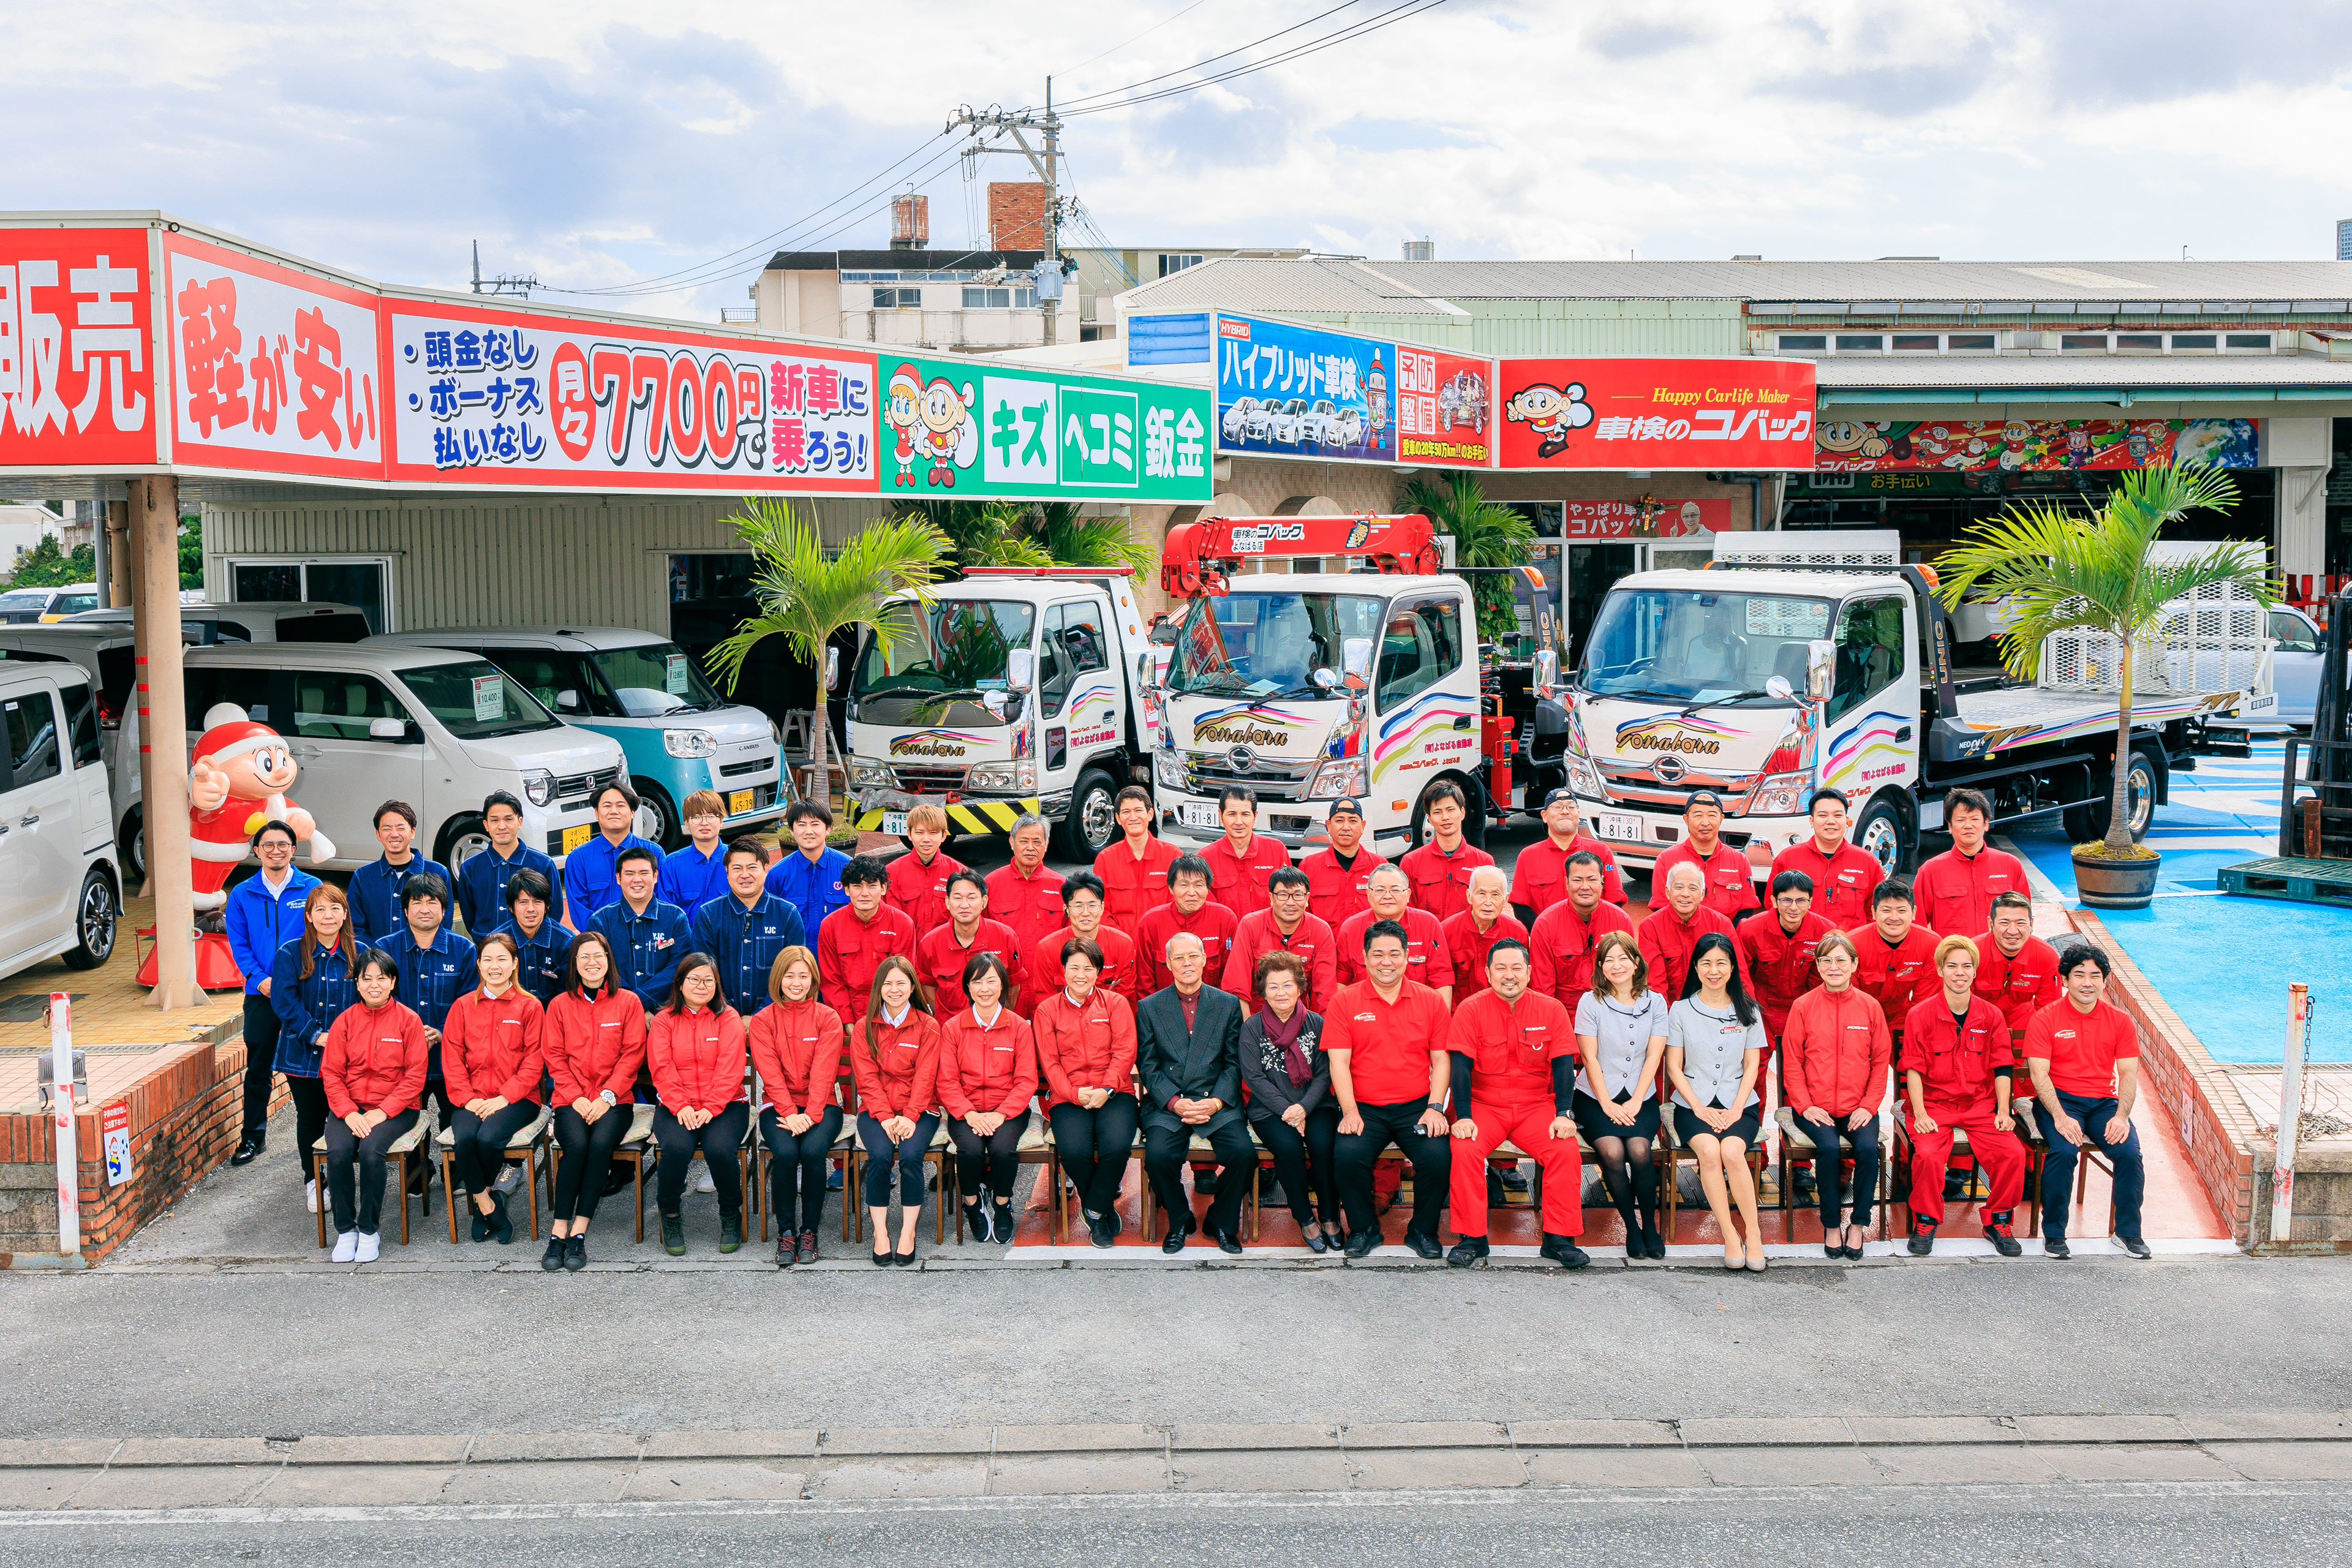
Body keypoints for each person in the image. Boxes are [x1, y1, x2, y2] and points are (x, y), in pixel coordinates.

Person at [1445, 940, 1588, 1269]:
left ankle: (1559, 1239)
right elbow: (1461, 1067)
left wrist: (1565, 1113)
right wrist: (1463, 1115)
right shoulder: (1470, 1008)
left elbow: (1564, 1064)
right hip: (1484, 1103)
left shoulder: (1551, 1009)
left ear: (1529, 972)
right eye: (1501, 968)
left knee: (1564, 1150)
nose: (1509, 975)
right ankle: (1473, 1238)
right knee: (1465, 1148)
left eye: (1516, 968)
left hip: (1535, 1105)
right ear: (1487, 972)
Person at [1324, 918, 1455, 1259]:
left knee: (1438, 1158)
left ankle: (1422, 1230)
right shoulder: (1344, 1001)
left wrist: (1435, 1107)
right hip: (1364, 1106)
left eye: (1395, 954)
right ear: (1364, 958)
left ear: (1408, 956)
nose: (1387, 962)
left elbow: (1441, 1060)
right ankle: (1364, 1229)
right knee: (1348, 1157)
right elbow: (1338, 1063)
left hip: (1416, 1105)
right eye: (1378, 954)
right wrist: (1350, 1111)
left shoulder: (1430, 1001)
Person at [1901, 934, 2028, 1257]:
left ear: (1975, 971)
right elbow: (1913, 1070)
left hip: (1980, 1106)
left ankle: (1998, 1220)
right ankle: (1926, 1220)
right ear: (1941, 970)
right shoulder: (1920, 1014)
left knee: (2013, 1153)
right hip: (1934, 1104)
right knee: (1928, 1156)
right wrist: (1921, 1113)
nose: (1960, 972)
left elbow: (2002, 1066)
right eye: (1952, 966)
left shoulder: (1991, 1015)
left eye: (1967, 966)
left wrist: (2003, 1110)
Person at [2024, 945, 2150, 1259]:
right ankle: (2053, 1234)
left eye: (2096, 975)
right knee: (2064, 1151)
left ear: (2105, 981)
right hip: (2059, 1099)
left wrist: (2122, 1116)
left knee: (2129, 1154)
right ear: (2065, 979)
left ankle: (2128, 1232)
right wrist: (2060, 1117)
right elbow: (2040, 1077)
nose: (2087, 982)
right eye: (2079, 974)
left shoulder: (2120, 1021)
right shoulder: (2045, 1019)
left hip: (2103, 1103)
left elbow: (2129, 1074)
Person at [1135, 931, 1253, 1254]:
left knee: (1244, 1155)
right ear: (1168, 964)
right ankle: (1180, 1218)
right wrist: (1175, 1102)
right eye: (1179, 958)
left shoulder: (1227, 1004)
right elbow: (1148, 1065)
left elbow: (1234, 1062)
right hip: (1168, 1101)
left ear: (1205, 959)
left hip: (1216, 1099)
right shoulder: (1149, 1007)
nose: (1187, 964)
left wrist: (1215, 1102)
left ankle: (1221, 1220)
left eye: (1193, 956)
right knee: (1157, 1158)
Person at [1780, 930, 1891, 1260]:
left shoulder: (1870, 1007)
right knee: (1828, 1149)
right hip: (1815, 1108)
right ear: (1817, 965)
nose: (1834, 967)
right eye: (1826, 960)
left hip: (1859, 1107)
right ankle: (1831, 1224)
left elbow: (1881, 1061)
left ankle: (1857, 1224)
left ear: (1854, 964)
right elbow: (1793, 1062)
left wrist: (1870, 1106)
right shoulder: (1803, 1006)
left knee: (1869, 1149)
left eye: (1841, 960)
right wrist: (1805, 1105)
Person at [540, 930, 645, 1272]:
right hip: (571, 1099)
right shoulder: (559, 1005)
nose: (591, 962)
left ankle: (579, 1233)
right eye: (583, 956)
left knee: (600, 1146)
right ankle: (557, 1234)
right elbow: (554, 1057)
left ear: (608, 960)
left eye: (598, 955)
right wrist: (576, 1097)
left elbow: (632, 1055)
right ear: (574, 964)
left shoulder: (628, 1002)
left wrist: (607, 1095)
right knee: (577, 1147)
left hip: (616, 1100)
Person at [1666, 932, 1770, 1272]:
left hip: (1739, 1102)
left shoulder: (1748, 1008)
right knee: (1710, 1152)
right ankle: (1729, 1235)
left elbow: (1753, 1064)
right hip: (1692, 1105)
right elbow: (1674, 1067)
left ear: (1732, 967)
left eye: (1721, 963)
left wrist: (1738, 1108)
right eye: (1706, 963)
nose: (1714, 970)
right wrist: (1698, 1107)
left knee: (1732, 1151)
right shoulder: (1680, 1010)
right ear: (1696, 967)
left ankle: (1752, 1233)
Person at [320, 947, 430, 1262]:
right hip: (350, 1107)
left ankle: (369, 1230)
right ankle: (346, 1230)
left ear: (393, 982)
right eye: (366, 979)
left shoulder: (409, 1021)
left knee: (371, 1152)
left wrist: (382, 1112)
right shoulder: (344, 1022)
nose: (374, 985)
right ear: (357, 984)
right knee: (339, 1153)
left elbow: (415, 1076)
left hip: (397, 1109)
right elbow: (331, 1073)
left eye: (382, 979)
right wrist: (349, 1112)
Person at [1031, 938, 1140, 1248]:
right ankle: (1103, 1208)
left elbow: (1124, 1050)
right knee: (1075, 1151)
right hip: (1069, 1096)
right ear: (1063, 970)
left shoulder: (1115, 1003)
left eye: (1088, 968)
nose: (1081, 974)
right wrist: (1074, 1093)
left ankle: (1092, 1209)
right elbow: (1049, 1061)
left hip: (1115, 1091)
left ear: (1098, 972)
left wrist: (1106, 1088)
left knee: (1117, 1146)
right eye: (1074, 967)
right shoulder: (1047, 1010)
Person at [439, 932, 546, 1246]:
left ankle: (479, 1210)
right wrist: (468, 1100)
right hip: (471, 1098)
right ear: (479, 965)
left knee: (488, 1139)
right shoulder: (462, 1007)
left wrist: (503, 1098)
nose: (494, 966)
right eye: (488, 959)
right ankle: (488, 1204)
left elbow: (534, 1062)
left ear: (514, 964)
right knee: (465, 1139)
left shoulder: (530, 1006)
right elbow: (452, 1058)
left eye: (502, 959)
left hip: (519, 1099)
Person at [224, 820, 318, 1166]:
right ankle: (253, 1138)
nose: (276, 851)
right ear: (257, 851)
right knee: (259, 1066)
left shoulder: (313, 888)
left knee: (312, 1061)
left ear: (294, 849)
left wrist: (296, 980)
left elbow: (319, 935)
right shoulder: (242, 893)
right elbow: (239, 943)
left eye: (283, 845)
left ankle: (320, 1133)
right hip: (260, 991)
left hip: (302, 992)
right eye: (268, 845)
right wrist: (259, 978)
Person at [646, 954, 750, 1257]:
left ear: (717, 985)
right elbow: (661, 1068)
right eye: (694, 979)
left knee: (719, 1149)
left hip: (726, 1104)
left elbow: (731, 1069)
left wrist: (712, 1107)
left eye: (709, 980)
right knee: (677, 1148)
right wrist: (681, 1106)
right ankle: (670, 1215)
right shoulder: (664, 1020)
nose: (701, 985)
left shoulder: (728, 1018)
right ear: (680, 983)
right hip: (677, 1105)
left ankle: (731, 1214)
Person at [1238, 951, 1343, 1253]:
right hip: (1270, 1109)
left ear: (1300, 988)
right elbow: (1254, 1077)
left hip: (1315, 1104)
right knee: (1288, 1149)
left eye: (1287, 985)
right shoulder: (1252, 1028)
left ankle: (1329, 1216)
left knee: (1324, 1147)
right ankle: (1305, 1217)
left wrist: (1303, 1108)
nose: (1281, 993)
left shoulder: (1317, 1023)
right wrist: (1287, 1110)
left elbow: (1325, 1073)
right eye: (1273, 986)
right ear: (1263, 992)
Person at [1574, 930, 1670, 1259]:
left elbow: (1654, 1058)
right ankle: (1631, 1227)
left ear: (1636, 962)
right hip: (1594, 1099)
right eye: (1608, 960)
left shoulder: (1656, 1002)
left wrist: (1634, 1101)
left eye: (1623, 958)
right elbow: (1589, 1058)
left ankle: (1651, 1228)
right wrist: (1608, 1105)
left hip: (1640, 1098)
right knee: (1614, 1153)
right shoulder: (1590, 1002)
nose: (1616, 966)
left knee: (1641, 1152)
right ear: (1601, 966)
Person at [748, 946, 845, 1268]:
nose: (797, 983)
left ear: (813, 980)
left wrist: (811, 1114)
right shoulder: (763, 1021)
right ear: (778, 978)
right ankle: (786, 1231)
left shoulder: (827, 1017)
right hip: (777, 1106)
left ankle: (810, 1232)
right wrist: (790, 1113)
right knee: (787, 1155)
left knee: (813, 1154)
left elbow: (824, 1070)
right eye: (790, 975)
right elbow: (770, 1073)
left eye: (804, 976)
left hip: (823, 1106)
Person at [270, 883, 360, 1219]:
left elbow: (369, 999)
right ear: (309, 916)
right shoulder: (290, 953)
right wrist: (316, 1035)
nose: (328, 916)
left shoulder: (359, 952)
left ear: (345, 914)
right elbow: (284, 1002)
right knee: (310, 1117)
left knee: (344, 1114)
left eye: (335, 908)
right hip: (302, 1052)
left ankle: (341, 1177)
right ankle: (314, 1179)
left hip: (350, 1055)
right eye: (320, 909)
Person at [937, 952, 1039, 1245]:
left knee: (1003, 1148)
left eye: (991, 981)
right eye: (977, 982)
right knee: (968, 1150)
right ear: (968, 987)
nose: (985, 989)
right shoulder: (953, 1028)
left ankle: (1003, 1205)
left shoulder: (1019, 1027)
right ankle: (973, 1205)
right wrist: (969, 1114)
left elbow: (1026, 1080)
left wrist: (1001, 1113)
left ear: (1003, 985)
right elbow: (947, 1080)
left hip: (1008, 1109)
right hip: (966, 1109)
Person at [851, 955, 941, 1265]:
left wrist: (910, 1115)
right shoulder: (865, 1027)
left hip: (920, 1110)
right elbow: (866, 1078)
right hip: (877, 1111)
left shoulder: (928, 1026)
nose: (894, 989)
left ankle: (908, 1232)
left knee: (912, 1157)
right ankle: (880, 1233)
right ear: (879, 988)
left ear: (912, 986)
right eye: (888, 983)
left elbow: (926, 1076)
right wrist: (887, 1117)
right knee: (878, 1157)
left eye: (901, 983)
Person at [385, 873, 477, 1134]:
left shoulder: (464, 950)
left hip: (453, 1059)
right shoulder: (385, 949)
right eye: (417, 902)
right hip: (401, 1060)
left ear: (445, 910)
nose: (424, 909)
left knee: (457, 1128)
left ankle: (457, 1175)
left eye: (432, 902)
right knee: (409, 1129)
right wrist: (413, 1034)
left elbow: (470, 1004)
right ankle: (420, 1170)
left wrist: (441, 1031)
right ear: (405, 910)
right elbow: (381, 1002)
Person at [1734, 870, 1835, 1087]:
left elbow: (1823, 981)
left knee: (1801, 1071)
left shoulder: (1826, 932)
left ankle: (1796, 1120)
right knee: (1753, 1069)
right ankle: (1753, 1120)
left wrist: (1814, 1016)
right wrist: (1748, 1012)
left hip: (1802, 1009)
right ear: (1773, 900)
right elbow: (1741, 975)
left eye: (1801, 900)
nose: (1794, 907)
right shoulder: (1751, 929)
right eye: (1786, 900)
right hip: (1760, 1008)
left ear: (1810, 902)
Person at [689, 837, 806, 1016]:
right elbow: (703, 973)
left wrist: (760, 1015)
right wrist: (728, 1015)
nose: (745, 875)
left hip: (776, 1016)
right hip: (719, 1017)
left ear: (766, 869)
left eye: (752, 867)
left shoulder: (788, 914)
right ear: (727, 872)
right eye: (737, 868)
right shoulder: (708, 915)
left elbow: (793, 974)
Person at [1911, 787, 2029, 940]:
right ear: (1950, 827)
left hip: (1998, 958)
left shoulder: (2011, 865)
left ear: (1986, 824)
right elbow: (1918, 925)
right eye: (1961, 820)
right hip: (1954, 960)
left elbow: (2024, 918)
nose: (1968, 826)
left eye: (1975, 819)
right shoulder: (1931, 870)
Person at [587, 846, 692, 1014]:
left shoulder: (675, 918)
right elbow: (599, 968)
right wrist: (632, 1006)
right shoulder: (600, 921)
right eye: (629, 874)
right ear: (619, 878)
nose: (637, 880)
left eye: (644, 873)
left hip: (667, 1012)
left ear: (655, 876)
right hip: (615, 1011)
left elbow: (679, 966)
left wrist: (639, 1001)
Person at [1529, 852, 1635, 1014]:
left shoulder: (1621, 921)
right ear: (1566, 883)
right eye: (1577, 880)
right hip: (1565, 1013)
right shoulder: (1546, 924)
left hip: (1610, 1011)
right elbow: (1542, 987)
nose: (1585, 887)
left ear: (1602, 881)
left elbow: (1629, 978)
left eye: (1592, 880)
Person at [1223, 865, 1336, 1012]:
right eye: (1283, 895)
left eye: (1297, 895)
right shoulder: (1250, 925)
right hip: (1257, 1015)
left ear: (1307, 899)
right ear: (1271, 898)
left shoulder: (1321, 930)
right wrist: (1247, 1029)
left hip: (1301, 1016)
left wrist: (1321, 1030)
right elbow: (1237, 987)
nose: (1290, 903)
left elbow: (1325, 991)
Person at [1336, 864, 1456, 1002]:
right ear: (1368, 895)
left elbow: (1441, 979)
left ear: (1408, 895)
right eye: (1380, 890)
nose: (1388, 896)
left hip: (1418, 1013)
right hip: (1367, 1014)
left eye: (1395, 890)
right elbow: (1342, 981)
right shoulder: (1351, 928)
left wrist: (1442, 1021)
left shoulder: (1428, 924)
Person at [1769, 789, 1883, 930]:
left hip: (1851, 947)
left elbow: (1877, 910)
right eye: (1823, 815)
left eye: (1838, 815)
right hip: (1803, 946)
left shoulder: (1867, 861)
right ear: (1812, 821)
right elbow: (1773, 907)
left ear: (1847, 821)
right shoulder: (1787, 859)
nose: (1831, 821)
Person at [915, 869, 1023, 1017]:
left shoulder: (1006, 937)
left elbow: (1014, 984)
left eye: (972, 898)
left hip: (994, 1026)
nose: (964, 905)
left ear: (984, 901)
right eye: (957, 898)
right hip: (950, 1029)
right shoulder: (930, 943)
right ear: (947, 902)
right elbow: (927, 984)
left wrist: (1002, 1019)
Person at [454, 790, 563, 936]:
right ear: (486, 825)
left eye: (508, 819)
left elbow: (554, 913)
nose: (501, 826)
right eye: (494, 820)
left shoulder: (543, 864)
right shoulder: (470, 868)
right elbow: (470, 917)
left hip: (533, 949)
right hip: (488, 950)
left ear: (520, 822)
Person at [347, 801, 452, 951]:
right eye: (387, 828)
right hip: (378, 966)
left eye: (401, 828)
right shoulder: (363, 877)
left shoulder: (438, 873)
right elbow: (355, 928)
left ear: (413, 832)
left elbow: (445, 923)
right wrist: (379, 954)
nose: (394, 834)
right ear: (378, 834)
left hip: (425, 959)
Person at [1508, 788, 1626, 921]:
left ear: (1578, 814)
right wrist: (1544, 933)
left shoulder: (1601, 851)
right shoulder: (1528, 856)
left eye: (1571, 807)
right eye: (1557, 807)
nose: (1565, 811)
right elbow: (1520, 905)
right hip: (1548, 937)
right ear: (1545, 816)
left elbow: (1615, 899)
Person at [1638, 861, 1746, 1005]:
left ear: (1702, 894)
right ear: (1667, 892)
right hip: (1671, 1009)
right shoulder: (1650, 926)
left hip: (1714, 1008)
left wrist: (1744, 1011)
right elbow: (1654, 982)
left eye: (1693, 888)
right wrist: (1666, 1019)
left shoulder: (1721, 924)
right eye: (1679, 887)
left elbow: (1739, 973)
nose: (1685, 894)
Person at [1649, 790, 1761, 924]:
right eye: (1698, 816)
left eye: (1712, 815)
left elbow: (1746, 910)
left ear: (1721, 819)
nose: (1705, 822)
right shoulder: (1666, 859)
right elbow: (1660, 907)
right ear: (1686, 819)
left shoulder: (1739, 860)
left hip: (1725, 937)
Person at [1135, 855, 1240, 995]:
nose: (1192, 893)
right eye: (1184, 885)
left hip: (1215, 1008)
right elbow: (1144, 981)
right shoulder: (1151, 922)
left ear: (1208, 888)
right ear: (1171, 888)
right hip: (1163, 1009)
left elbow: (1232, 976)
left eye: (1198, 885)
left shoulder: (1225, 919)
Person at [564, 782, 663, 925]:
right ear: (597, 813)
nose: (614, 811)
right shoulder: (579, 859)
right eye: (607, 806)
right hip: (601, 942)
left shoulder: (655, 853)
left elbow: (662, 902)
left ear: (633, 812)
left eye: (621, 805)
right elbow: (580, 911)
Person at [1033, 873, 1139, 1005]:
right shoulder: (1047, 949)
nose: (1086, 913)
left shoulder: (1122, 944)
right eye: (1078, 906)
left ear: (1102, 908)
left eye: (1092, 905)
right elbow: (1044, 1001)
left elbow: (1126, 996)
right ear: (1066, 910)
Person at [1400, 780, 1494, 925]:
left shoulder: (1483, 862)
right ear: (1430, 819)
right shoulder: (1411, 862)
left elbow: (1489, 912)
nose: (1445, 817)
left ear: (1462, 813)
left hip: (1466, 943)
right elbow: (1407, 912)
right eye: (1437, 812)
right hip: (1428, 942)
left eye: (1451, 810)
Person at [1855, 879, 1940, 1040]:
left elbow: (1924, 1004)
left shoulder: (1932, 944)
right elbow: (1848, 1000)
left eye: (1902, 911)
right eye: (1886, 910)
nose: (1894, 918)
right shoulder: (1853, 944)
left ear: (1914, 913)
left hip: (1904, 1019)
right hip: (1860, 1020)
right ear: (1873, 912)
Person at [1093, 786, 1180, 941]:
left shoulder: (1172, 855)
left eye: (1138, 810)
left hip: (1162, 942)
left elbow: (1178, 905)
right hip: (1119, 944)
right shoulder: (1105, 859)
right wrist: (1120, 940)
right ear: (1118, 819)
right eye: (1126, 812)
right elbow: (1100, 908)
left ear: (1150, 814)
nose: (1133, 817)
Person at [986, 814, 1067, 965]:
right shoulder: (990, 884)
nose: (1030, 848)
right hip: (1005, 975)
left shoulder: (1061, 886)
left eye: (1037, 842)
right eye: (1024, 841)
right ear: (1012, 843)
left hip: (1048, 975)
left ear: (1047, 844)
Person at [1441, 865, 1529, 1005]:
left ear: (1506, 899)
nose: (1488, 902)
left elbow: (1523, 982)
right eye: (1481, 894)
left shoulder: (1517, 932)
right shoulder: (1446, 931)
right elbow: (1440, 981)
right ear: (1469, 896)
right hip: (1460, 1013)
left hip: (1501, 1011)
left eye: (1495, 895)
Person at [1200, 785, 1291, 919]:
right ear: (1221, 816)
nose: (1239, 822)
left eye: (1245, 814)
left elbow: (1288, 899)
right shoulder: (1206, 857)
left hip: (1267, 935)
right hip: (1228, 936)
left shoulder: (1276, 850)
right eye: (1232, 814)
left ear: (1255, 817)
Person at [767, 798, 852, 941]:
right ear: (792, 831)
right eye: (801, 825)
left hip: (838, 957)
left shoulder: (848, 867)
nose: (808, 831)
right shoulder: (778, 874)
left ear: (828, 828)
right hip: (795, 958)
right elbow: (769, 922)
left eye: (815, 824)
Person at [1299, 797, 1387, 931]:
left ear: (1362, 826)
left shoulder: (1380, 866)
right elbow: (1302, 917)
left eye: (1352, 821)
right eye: (1339, 821)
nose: (1346, 827)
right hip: (1326, 948)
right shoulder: (1309, 866)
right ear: (1328, 826)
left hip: (1367, 948)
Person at [883, 803, 965, 937]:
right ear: (909, 834)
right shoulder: (890, 873)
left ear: (944, 836)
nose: (926, 839)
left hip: (944, 947)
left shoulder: (959, 873)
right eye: (919, 832)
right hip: (905, 949)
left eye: (933, 833)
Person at [495, 870, 570, 1005]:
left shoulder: (566, 943)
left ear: (547, 906)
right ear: (511, 907)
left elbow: (569, 999)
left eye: (537, 902)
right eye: (523, 902)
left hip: (553, 1020)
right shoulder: (496, 943)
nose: (531, 909)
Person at [656, 789, 732, 921]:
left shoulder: (737, 859)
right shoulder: (671, 865)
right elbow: (667, 915)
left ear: (721, 820)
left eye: (711, 816)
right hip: (688, 939)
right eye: (696, 817)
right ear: (686, 823)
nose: (704, 823)